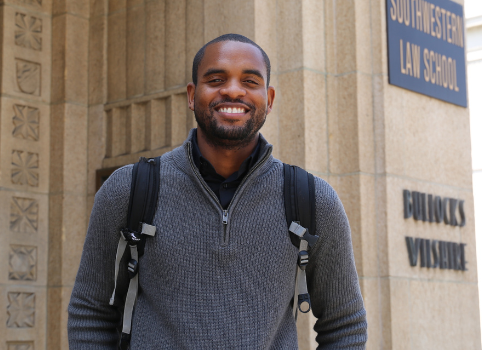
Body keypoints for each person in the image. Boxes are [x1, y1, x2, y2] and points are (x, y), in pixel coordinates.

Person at [68, 33, 367, 349]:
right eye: (216, 79)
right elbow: (91, 313)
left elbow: (344, 325)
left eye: (250, 81)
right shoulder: (129, 190)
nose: (233, 90)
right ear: (192, 95)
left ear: (270, 98)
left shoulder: (313, 200)